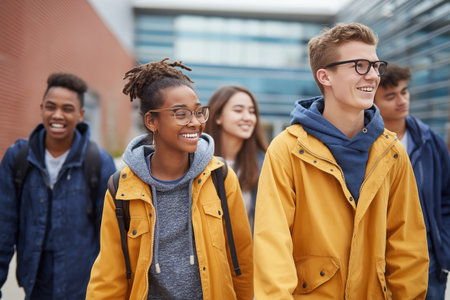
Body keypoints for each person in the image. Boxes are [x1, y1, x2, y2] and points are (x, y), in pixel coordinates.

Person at [253, 22, 429, 299]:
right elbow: (272, 247)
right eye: (360, 65)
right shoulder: (286, 150)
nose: (372, 76)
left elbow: (408, 249)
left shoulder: (393, 152)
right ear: (325, 76)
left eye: (375, 66)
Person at [86, 58, 253, 299]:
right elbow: (110, 275)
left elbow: (242, 261)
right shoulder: (121, 188)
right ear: (152, 121)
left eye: (197, 112)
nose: (195, 122)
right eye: (181, 113)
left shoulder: (220, 177)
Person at [0, 72, 116, 299]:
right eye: (51, 107)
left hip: (83, 290)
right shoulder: (18, 158)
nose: (57, 115)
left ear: (81, 114)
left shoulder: (98, 162)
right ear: (41, 107)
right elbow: (3, 229)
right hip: (34, 288)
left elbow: (111, 238)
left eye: (68, 109)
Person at [374, 63, 450, 300]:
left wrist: (444, 243)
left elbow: (446, 195)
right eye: (390, 96)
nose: (401, 100)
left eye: (404, 92)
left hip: (427, 258)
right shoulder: (364, 143)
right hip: (378, 257)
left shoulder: (430, 141)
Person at [204, 86, 267, 231]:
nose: (247, 117)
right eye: (238, 110)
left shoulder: (263, 165)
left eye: (252, 112)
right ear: (218, 117)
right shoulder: (196, 163)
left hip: (246, 251)